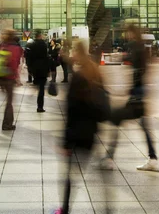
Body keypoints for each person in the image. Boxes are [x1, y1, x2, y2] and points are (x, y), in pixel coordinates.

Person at [55, 41, 110, 214]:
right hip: (92, 130)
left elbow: (71, 110)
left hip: (77, 132)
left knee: (69, 175)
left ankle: (64, 209)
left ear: (77, 53)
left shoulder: (79, 77)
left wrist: (65, 141)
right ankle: (106, 208)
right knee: (92, 174)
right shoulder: (95, 71)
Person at [102, 24, 159, 172]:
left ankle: (109, 158)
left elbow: (138, 69)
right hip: (139, 93)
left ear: (131, 33)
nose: (126, 36)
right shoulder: (141, 47)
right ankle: (153, 158)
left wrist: (131, 89)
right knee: (144, 127)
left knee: (116, 119)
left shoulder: (136, 47)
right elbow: (143, 69)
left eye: (127, 33)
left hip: (137, 94)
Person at [0, 29, 23, 131]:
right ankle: (7, 124)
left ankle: (7, 123)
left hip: (1, 76)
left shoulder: (2, 46)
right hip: (9, 77)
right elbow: (14, 64)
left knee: (8, 101)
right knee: (9, 102)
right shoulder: (16, 48)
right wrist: (16, 77)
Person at [29, 31, 49, 113]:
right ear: (40, 36)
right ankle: (40, 107)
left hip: (35, 68)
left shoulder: (32, 45)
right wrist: (48, 69)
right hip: (43, 68)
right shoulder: (44, 45)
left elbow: (30, 57)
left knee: (37, 84)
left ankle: (35, 89)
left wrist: (30, 69)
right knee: (41, 88)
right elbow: (46, 57)